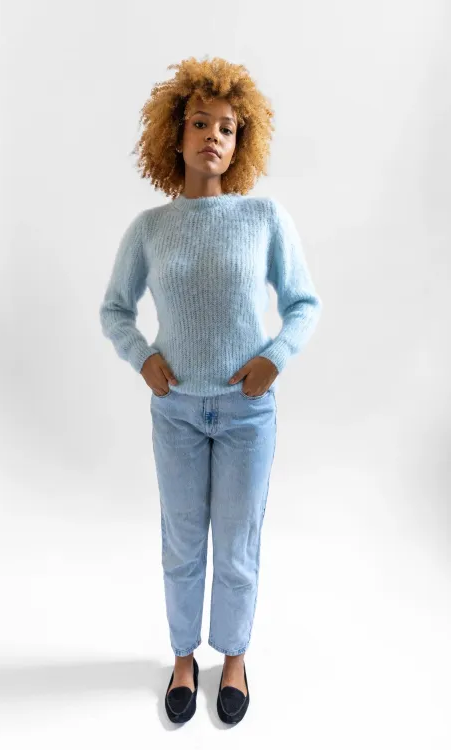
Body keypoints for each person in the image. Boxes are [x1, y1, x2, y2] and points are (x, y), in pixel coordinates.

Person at [99, 56, 322, 724]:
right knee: (182, 542)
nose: (213, 137)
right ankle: (181, 658)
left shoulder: (264, 217)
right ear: (175, 133)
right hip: (176, 412)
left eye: (227, 128)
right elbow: (115, 309)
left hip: (247, 412)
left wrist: (275, 357)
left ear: (240, 141)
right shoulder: (149, 229)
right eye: (201, 123)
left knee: (237, 544)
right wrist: (142, 357)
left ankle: (234, 657)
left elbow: (303, 304)